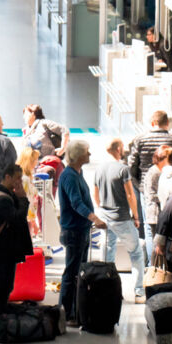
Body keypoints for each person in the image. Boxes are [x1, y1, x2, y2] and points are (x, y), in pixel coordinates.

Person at [57, 140, 107, 327]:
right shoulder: (69, 176)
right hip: (74, 231)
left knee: (78, 271)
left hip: (81, 230)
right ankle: (65, 312)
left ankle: (74, 310)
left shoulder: (78, 173)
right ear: (78, 156)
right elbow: (76, 202)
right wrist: (95, 218)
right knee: (71, 272)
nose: (90, 155)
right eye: (87, 152)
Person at [93, 138, 145, 302]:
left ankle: (107, 290)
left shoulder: (99, 169)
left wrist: (102, 209)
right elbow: (130, 195)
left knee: (108, 254)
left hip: (105, 218)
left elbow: (95, 193)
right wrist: (136, 217)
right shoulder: (123, 169)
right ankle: (138, 292)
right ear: (119, 149)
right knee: (136, 253)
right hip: (122, 218)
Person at [128, 111, 172, 231]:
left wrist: (139, 185)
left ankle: (152, 249)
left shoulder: (140, 139)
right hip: (170, 185)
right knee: (169, 223)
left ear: (152, 123)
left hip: (148, 187)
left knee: (150, 227)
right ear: (167, 123)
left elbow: (132, 165)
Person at [0, 164, 32, 316]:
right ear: (7, 177)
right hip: (3, 248)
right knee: (5, 281)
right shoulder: (1, 199)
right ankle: (0, 311)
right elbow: (17, 218)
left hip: (5, 247)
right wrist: (23, 199)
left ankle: (1, 308)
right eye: (17, 178)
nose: (19, 181)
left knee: (6, 281)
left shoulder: (5, 195)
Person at [140, 146, 170, 259]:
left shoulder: (157, 170)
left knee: (156, 244)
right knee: (157, 245)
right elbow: (151, 195)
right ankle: (154, 271)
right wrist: (165, 197)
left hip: (155, 212)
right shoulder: (155, 172)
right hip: (155, 213)